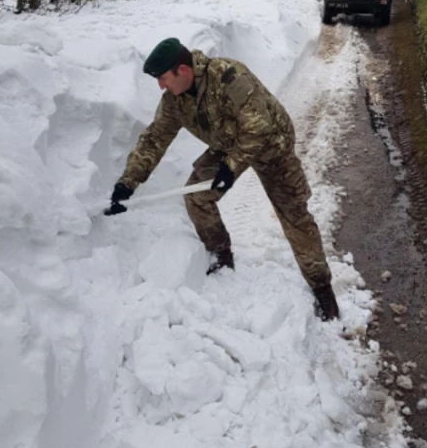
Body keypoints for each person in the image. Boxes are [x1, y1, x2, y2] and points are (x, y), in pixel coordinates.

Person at [106, 38, 340, 322]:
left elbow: (259, 128)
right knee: (196, 197)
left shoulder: (229, 76)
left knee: (294, 214)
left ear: (183, 70)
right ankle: (221, 256)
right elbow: (155, 138)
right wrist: (127, 183)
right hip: (228, 143)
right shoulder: (175, 101)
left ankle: (322, 289)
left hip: (271, 143)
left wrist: (230, 168)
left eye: (163, 78)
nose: (160, 86)